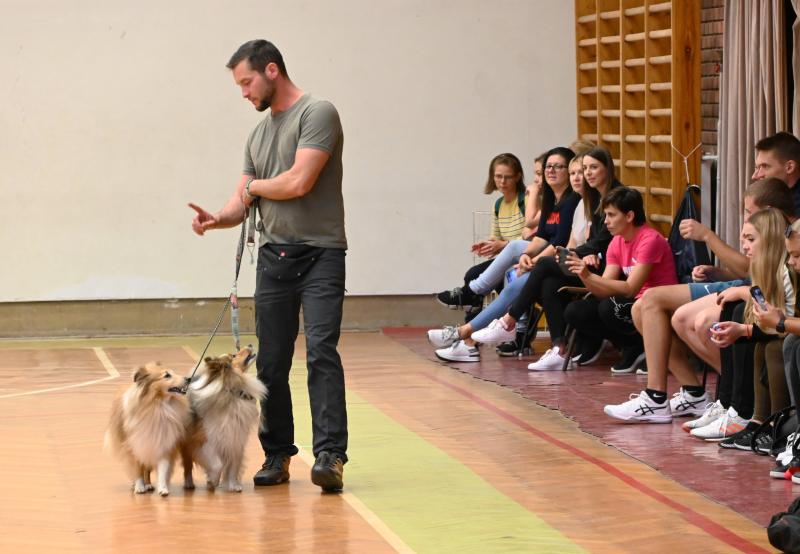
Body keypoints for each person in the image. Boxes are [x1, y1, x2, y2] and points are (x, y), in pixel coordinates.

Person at [188, 39, 348, 492]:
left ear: (272, 70)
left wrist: (254, 187)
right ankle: (277, 454)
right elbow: (244, 198)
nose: (243, 93)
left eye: (246, 82)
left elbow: (298, 181)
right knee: (271, 364)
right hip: (274, 257)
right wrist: (219, 218)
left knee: (321, 353)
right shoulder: (257, 135)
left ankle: (331, 457)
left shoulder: (318, 113)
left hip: (322, 254)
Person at [468, 146, 622, 370]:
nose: (584, 175)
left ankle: (508, 321)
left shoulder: (609, 198)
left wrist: (568, 254)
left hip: (605, 267)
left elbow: (604, 240)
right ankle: (559, 348)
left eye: (591, 169)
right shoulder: (586, 201)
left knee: (544, 265)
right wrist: (564, 254)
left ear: (607, 169)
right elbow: (572, 240)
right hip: (586, 261)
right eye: (579, 171)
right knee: (547, 281)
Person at [429, 146, 578, 362]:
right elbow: (542, 236)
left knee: (516, 280)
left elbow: (559, 242)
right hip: (544, 259)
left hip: (561, 262)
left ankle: (467, 333)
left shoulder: (571, 201)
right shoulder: (551, 200)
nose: (551, 171)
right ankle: (475, 303)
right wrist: (528, 255)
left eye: (559, 167)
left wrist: (532, 261)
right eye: (548, 166)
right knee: (513, 255)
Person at [560, 187, 677, 377]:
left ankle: (648, 348)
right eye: (605, 215)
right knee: (576, 311)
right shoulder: (616, 241)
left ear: (629, 216)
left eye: (611, 215)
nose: (605, 221)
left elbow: (631, 289)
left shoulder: (650, 240)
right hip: (635, 303)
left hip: (657, 303)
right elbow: (603, 288)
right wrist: (582, 274)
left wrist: (589, 276)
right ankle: (631, 346)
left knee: (610, 307)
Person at [435, 153, 531, 314]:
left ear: (518, 177)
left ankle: (472, 321)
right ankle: (474, 319)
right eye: (498, 176)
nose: (502, 182)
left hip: (526, 255)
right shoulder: (498, 204)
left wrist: (503, 245)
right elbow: (497, 237)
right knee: (473, 274)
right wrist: (489, 245)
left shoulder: (526, 200)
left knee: (474, 275)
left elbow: (532, 235)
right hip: (509, 256)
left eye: (507, 177)